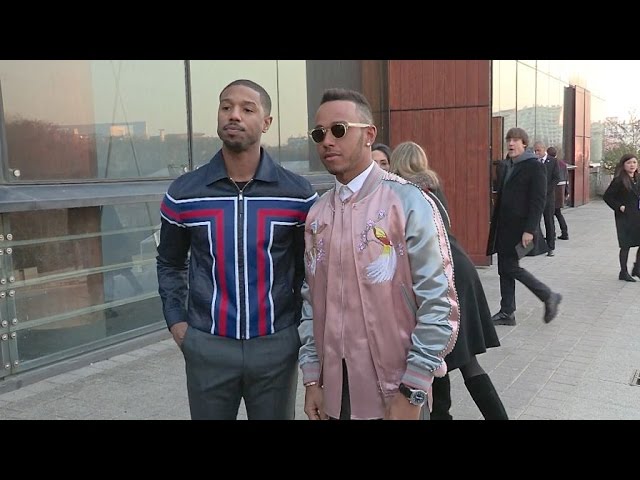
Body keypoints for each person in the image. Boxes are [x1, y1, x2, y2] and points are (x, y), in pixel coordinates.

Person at [156, 79, 318, 420]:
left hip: (275, 345)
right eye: (226, 106)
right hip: (207, 345)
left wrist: (295, 333)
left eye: (247, 109)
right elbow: (169, 263)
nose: (234, 115)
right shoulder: (185, 193)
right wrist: (177, 323)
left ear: (267, 122)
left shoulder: (297, 195)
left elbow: (310, 270)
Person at [298, 88, 459, 420]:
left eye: (339, 129)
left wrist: (413, 389)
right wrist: (312, 378)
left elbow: (439, 303)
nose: (327, 140)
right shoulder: (317, 214)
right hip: (334, 393)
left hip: (396, 391)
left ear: (369, 135)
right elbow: (311, 302)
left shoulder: (409, 202)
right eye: (319, 133)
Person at [391, 141, 508, 420]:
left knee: (437, 352)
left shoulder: (405, 193)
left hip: (441, 274)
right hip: (460, 268)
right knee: (461, 360)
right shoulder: (432, 188)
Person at [487, 127, 562, 326]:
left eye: (515, 140)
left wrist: (530, 229)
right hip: (503, 227)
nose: (510, 144)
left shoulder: (534, 166)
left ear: (524, 144)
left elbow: (538, 201)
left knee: (510, 267)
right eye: (508, 140)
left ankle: (548, 295)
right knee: (504, 269)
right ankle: (507, 312)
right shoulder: (508, 165)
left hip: (519, 228)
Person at [602, 153, 640, 282]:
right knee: (626, 245)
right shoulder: (619, 180)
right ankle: (623, 272)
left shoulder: (637, 178)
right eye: (629, 163)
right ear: (623, 165)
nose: (632, 165)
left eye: (634, 162)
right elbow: (607, 197)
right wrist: (619, 207)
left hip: (637, 216)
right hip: (624, 217)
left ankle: (637, 268)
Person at [534, 141, 560, 256]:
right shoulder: (534, 162)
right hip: (536, 198)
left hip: (548, 198)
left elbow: (556, 178)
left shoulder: (553, 161)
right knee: (535, 221)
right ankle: (537, 246)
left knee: (548, 221)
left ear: (544, 149)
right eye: (535, 150)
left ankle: (550, 246)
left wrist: (547, 191)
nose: (536, 152)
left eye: (538, 150)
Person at [548, 146, 570, 240]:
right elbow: (566, 179)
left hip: (553, 191)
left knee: (551, 214)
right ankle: (564, 232)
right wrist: (567, 192)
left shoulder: (551, 164)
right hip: (561, 191)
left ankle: (552, 234)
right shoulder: (563, 164)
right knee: (558, 213)